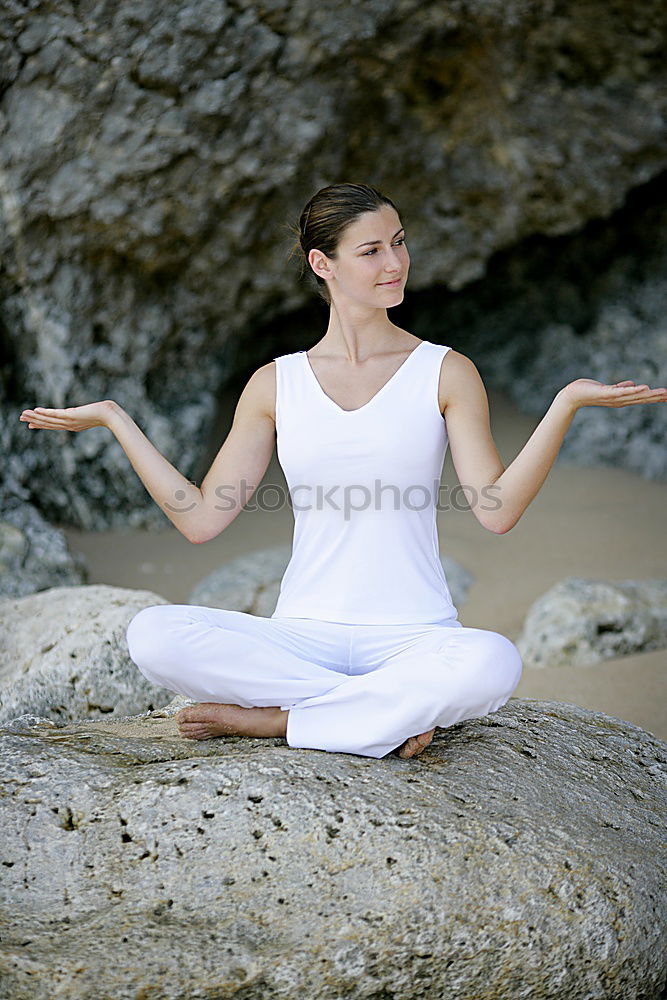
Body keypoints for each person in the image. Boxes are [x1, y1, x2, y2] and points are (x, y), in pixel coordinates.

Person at [19, 182, 667, 760]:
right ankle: (372, 713)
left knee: (491, 662)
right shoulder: (277, 383)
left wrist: (564, 405)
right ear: (321, 264)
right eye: (371, 251)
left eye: (399, 243)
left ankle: (276, 723)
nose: (394, 263)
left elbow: (495, 510)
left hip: (414, 636)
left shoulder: (443, 370)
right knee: (152, 635)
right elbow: (199, 518)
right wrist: (115, 420)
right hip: (299, 636)